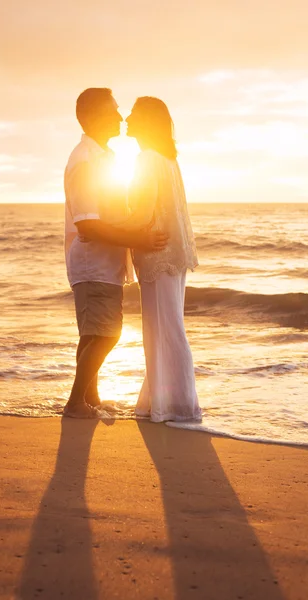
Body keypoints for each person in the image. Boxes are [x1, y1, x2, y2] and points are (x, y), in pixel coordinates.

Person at [63, 88, 168, 418]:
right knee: (109, 333)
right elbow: (88, 224)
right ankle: (75, 403)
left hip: (102, 265)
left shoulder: (103, 157)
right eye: (113, 110)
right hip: (92, 262)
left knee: (93, 333)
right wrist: (137, 238)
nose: (121, 117)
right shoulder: (85, 160)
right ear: (93, 116)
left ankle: (89, 399)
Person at [119, 96, 202, 422]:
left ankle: (179, 406)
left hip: (157, 253)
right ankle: (159, 401)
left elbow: (141, 211)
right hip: (173, 253)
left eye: (135, 113)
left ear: (148, 121)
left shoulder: (148, 160)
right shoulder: (167, 160)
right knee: (166, 327)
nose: (127, 117)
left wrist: (110, 231)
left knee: (163, 329)